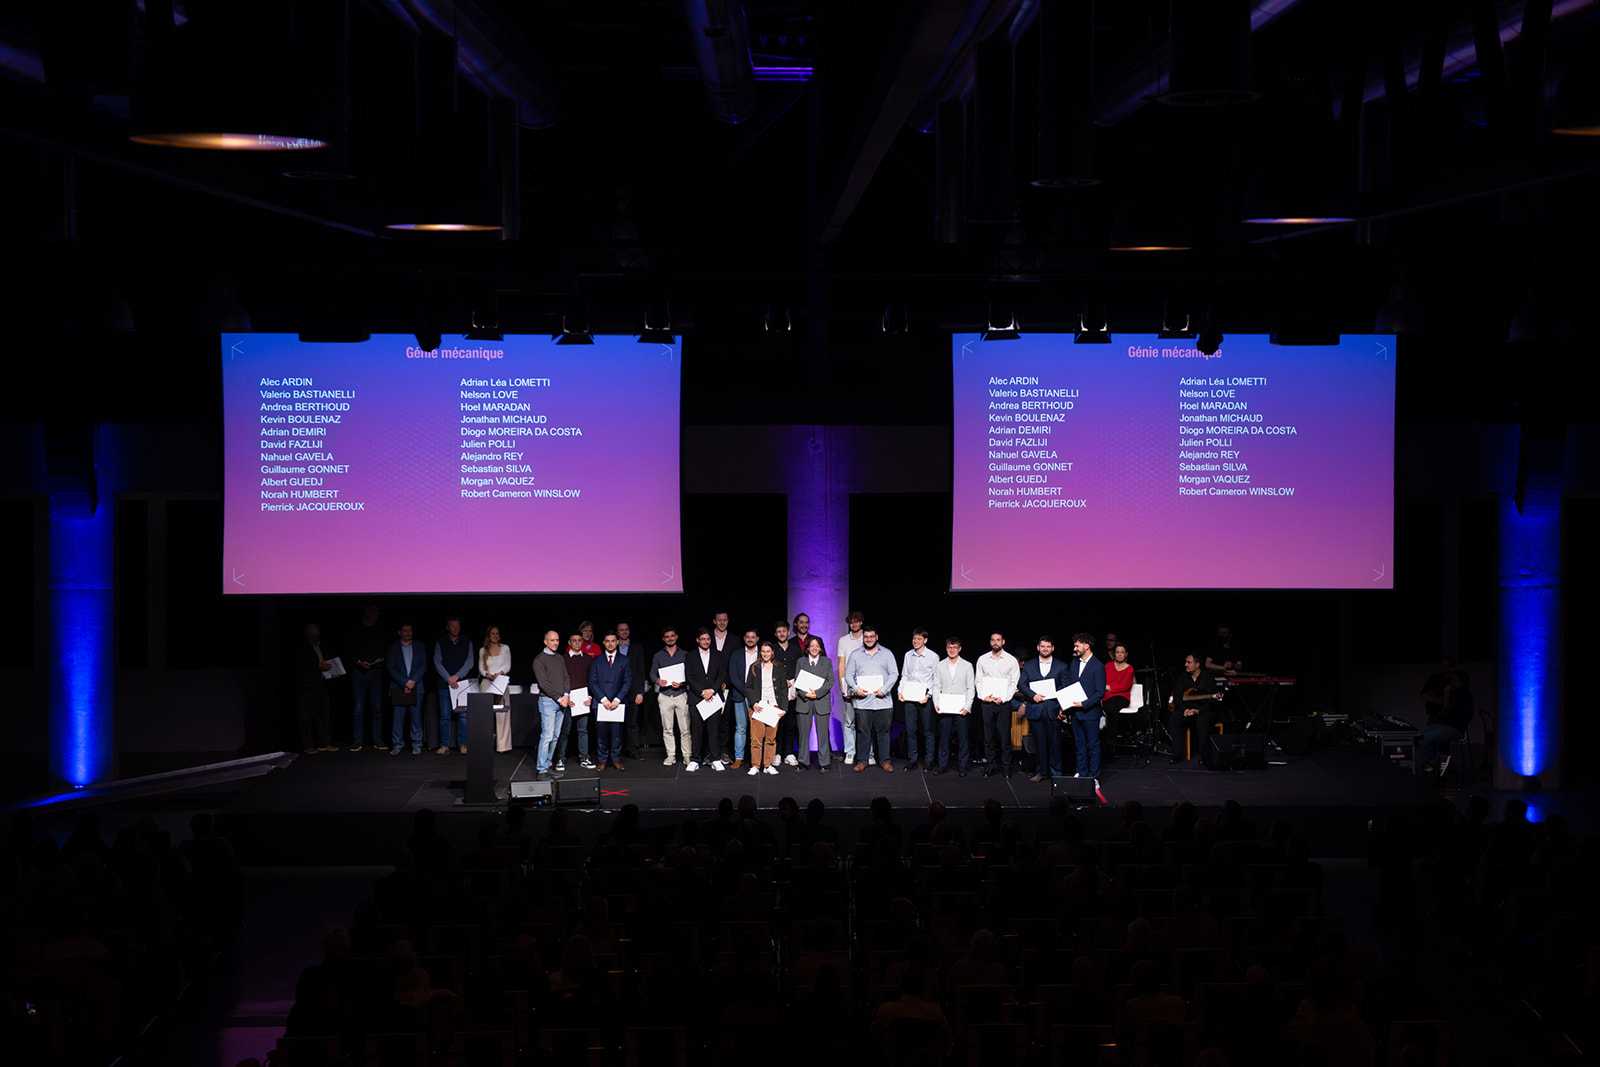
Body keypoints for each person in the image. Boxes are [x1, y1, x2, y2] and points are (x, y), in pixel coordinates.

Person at [845, 625, 899, 773]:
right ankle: (862, 761)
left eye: (871, 636)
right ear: (863, 638)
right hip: (862, 702)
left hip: (883, 702)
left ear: (877, 637)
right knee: (863, 733)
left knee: (884, 732)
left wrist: (884, 690)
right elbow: (848, 675)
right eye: (866, 637)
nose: (869, 639)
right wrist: (856, 689)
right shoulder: (855, 654)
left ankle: (885, 761)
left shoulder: (887, 654)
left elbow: (894, 674)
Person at [1020, 635, 1072, 781]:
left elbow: (1065, 688)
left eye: (1048, 646)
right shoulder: (1029, 665)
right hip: (1035, 709)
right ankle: (1041, 772)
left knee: (1055, 744)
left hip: (1053, 710)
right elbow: (1022, 684)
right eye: (1042, 646)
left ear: (1053, 648)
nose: (1045, 649)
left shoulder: (1062, 666)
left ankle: (1056, 773)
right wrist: (1033, 696)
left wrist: (1063, 709)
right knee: (1039, 744)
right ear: (1038, 647)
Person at [975, 632, 1021, 777]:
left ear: (1003, 642)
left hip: (1003, 704)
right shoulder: (982, 659)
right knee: (988, 737)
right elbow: (978, 681)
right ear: (990, 642)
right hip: (987, 703)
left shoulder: (1011, 660)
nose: (996, 642)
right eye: (993, 640)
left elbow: (1014, 683)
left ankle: (1006, 768)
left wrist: (1004, 698)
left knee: (1004, 737)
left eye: (998, 640)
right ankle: (990, 766)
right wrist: (984, 696)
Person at [1063, 632, 1107, 781]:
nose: (1074, 648)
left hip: (1090, 713)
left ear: (1087, 646)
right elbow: (1069, 684)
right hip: (1075, 712)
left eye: (1077, 645)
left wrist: (1084, 703)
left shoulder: (1098, 666)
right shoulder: (1074, 662)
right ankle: (1081, 773)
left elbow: (1100, 692)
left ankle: (1094, 777)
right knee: (1079, 744)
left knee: (1093, 745)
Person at [685, 627, 729, 772]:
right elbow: (689, 677)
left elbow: (722, 675)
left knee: (714, 730)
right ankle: (695, 759)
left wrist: (712, 690)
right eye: (703, 639)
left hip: (713, 698)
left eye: (708, 639)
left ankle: (715, 759)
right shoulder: (690, 656)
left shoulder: (718, 655)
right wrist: (701, 692)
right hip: (696, 698)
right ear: (697, 640)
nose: (706, 641)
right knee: (696, 730)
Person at [931, 637, 976, 776]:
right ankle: (942, 765)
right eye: (949, 647)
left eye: (955, 647)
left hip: (961, 708)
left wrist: (967, 707)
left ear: (959, 649)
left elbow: (971, 688)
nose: (952, 650)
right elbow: (936, 686)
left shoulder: (967, 665)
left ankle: (962, 767)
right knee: (943, 738)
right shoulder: (940, 665)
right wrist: (936, 703)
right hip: (945, 708)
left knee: (963, 739)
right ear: (946, 648)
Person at [1420, 658, 1474, 774]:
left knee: (1426, 737)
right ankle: (1439, 768)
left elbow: (1447, 711)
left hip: (1453, 727)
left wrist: (1446, 696)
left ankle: (1433, 767)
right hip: (1445, 725)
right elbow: (1425, 696)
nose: (1450, 682)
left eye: (1453, 679)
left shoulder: (1461, 694)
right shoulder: (1454, 691)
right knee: (1430, 737)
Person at [588, 631, 631, 772]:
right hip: (601, 703)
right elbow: (592, 682)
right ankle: (602, 760)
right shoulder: (596, 660)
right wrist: (603, 699)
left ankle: (616, 759)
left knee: (617, 734)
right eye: (607, 641)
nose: (610, 643)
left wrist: (617, 699)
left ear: (617, 642)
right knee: (601, 734)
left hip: (618, 703)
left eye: (613, 641)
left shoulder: (624, 660)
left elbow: (627, 681)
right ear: (603, 643)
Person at [1167, 653, 1220, 765]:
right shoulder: (1183, 677)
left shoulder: (1208, 678)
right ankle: (1177, 754)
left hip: (1203, 711)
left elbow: (1214, 700)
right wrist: (1184, 710)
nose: (1185, 664)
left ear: (1197, 664)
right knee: (1174, 718)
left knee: (1202, 720)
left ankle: (1204, 756)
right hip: (1188, 711)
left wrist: (1199, 710)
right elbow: (1177, 697)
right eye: (1186, 662)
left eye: (1189, 662)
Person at [432, 616, 475, 755]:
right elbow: (437, 662)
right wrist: (448, 678)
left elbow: (470, 662)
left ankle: (463, 744)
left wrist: (457, 676)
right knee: (445, 716)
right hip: (444, 685)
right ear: (447, 627)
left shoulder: (467, 641)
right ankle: (445, 745)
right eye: (452, 626)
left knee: (463, 716)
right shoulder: (441, 642)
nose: (455, 628)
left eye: (457, 626)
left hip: (461, 684)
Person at [532, 630, 572, 780]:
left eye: (557, 640)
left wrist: (566, 695)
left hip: (562, 701)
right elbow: (543, 684)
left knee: (555, 736)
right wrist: (559, 698)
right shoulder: (539, 660)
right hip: (548, 702)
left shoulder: (559, 658)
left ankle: (548, 765)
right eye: (552, 640)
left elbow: (566, 677)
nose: (555, 643)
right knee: (547, 736)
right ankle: (541, 770)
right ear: (545, 642)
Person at [347, 605, 387, 751]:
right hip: (359, 672)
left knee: (377, 706)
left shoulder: (380, 630)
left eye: (377, 612)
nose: (375, 615)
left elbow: (384, 651)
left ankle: (377, 739)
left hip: (375, 672)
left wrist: (378, 661)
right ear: (367, 613)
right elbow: (349, 650)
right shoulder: (355, 629)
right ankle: (358, 740)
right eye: (373, 612)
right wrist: (358, 662)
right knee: (359, 707)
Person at [745, 640, 789, 775]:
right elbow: (748, 687)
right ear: (760, 652)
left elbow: (783, 689)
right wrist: (754, 703)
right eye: (763, 651)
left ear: (772, 653)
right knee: (756, 739)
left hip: (773, 707)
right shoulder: (754, 667)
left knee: (771, 738)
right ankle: (755, 765)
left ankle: (768, 765)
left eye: (768, 651)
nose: (765, 654)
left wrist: (784, 708)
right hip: (759, 707)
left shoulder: (779, 667)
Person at [898, 629, 939, 770]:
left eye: (919, 639)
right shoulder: (908, 655)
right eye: (914, 639)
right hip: (910, 696)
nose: (915, 641)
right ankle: (912, 759)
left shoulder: (933, 656)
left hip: (924, 697)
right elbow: (904, 675)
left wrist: (928, 695)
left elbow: (935, 679)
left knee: (928, 730)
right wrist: (900, 691)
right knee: (910, 730)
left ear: (925, 640)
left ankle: (929, 760)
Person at [650, 627, 691, 767]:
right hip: (665, 695)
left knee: (685, 729)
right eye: (667, 636)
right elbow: (652, 674)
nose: (670, 638)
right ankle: (671, 755)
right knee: (667, 728)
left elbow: (690, 674)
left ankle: (687, 756)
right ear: (663, 639)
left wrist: (682, 682)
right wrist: (657, 681)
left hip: (681, 694)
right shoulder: (658, 655)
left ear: (676, 637)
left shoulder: (685, 654)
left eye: (672, 636)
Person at [793, 635, 833, 771]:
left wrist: (817, 693)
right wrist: (805, 694)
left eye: (817, 646)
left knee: (823, 734)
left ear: (820, 648)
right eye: (812, 646)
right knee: (803, 734)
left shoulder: (827, 662)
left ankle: (824, 763)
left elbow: (830, 682)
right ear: (807, 648)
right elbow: (797, 682)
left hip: (821, 701)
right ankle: (803, 762)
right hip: (804, 702)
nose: (814, 648)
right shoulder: (801, 661)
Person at [387, 622, 427, 756]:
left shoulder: (420, 646)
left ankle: (417, 744)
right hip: (399, 686)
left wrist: (413, 681)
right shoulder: (393, 647)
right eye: (405, 630)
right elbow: (391, 668)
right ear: (399, 632)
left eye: (410, 630)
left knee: (416, 717)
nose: (408, 633)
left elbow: (423, 665)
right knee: (398, 718)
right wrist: (405, 682)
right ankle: (397, 744)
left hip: (416, 686)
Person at [724, 628, 761, 769]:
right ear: (744, 638)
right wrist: (746, 692)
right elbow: (733, 676)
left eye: (753, 637)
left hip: (758, 697)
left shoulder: (763, 653)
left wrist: (754, 694)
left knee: (756, 729)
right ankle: (738, 758)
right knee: (740, 728)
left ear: (757, 638)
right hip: (740, 695)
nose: (750, 639)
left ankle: (755, 759)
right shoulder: (736, 654)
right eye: (747, 637)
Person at [296, 623, 335, 754]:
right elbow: (301, 666)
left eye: (317, 632)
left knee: (323, 715)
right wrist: (318, 667)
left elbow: (326, 661)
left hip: (322, 684)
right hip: (307, 686)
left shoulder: (320, 646)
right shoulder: (302, 647)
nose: (316, 634)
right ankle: (308, 745)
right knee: (306, 716)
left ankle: (325, 743)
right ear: (307, 633)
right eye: (313, 632)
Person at [560, 632, 595, 771]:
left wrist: (590, 696)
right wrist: (565, 697)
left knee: (583, 730)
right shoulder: (562, 659)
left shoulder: (588, 659)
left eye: (579, 640)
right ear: (569, 642)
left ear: (582, 642)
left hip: (583, 700)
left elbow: (592, 679)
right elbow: (559, 679)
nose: (577, 643)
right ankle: (561, 758)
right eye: (574, 640)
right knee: (565, 731)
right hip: (568, 699)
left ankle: (584, 757)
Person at [836, 610, 867, 764]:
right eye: (851, 622)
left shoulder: (867, 638)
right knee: (849, 721)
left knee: (866, 722)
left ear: (861, 622)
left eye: (857, 621)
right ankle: (850, 751)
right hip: (849, 684)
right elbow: (841, 664)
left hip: (865, 684)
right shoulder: (843, 640)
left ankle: (868, 753)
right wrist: (843, 687)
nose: (854, 624)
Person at [773, 620, 803, 766]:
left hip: (792, 690)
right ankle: (777, 753)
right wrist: (780, 681)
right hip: (776, 692)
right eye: (779, 632)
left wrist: (794, 681)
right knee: (778, 723)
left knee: (791, 723)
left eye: (784, 631)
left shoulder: (796, 649)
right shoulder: (772, 649)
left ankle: (789, 753)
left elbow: (801, 668)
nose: (782, 634)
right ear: (775, 634)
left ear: (788, 632)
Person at [615, 620, 647, 757]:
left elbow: (641, 671)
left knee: (632, 722)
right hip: (616, 692)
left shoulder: (637, 647)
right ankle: (618, 751)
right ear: (617, 632)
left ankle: (633, 750)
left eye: (626, 629)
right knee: (617, 723)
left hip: (633, 691)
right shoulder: (612, 647)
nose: (624, 632)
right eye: (621, 630)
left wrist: (640, 692)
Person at [478, 624, 512, 751]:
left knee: (502, 713)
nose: (495, 636)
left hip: (501, 682)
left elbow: (508, 665)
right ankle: (484, 744)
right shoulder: (483, 650)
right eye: (493, 633)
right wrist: (487, 674)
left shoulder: (505, 648)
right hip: (487, 682)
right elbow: (481, 668)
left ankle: (503, 746)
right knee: (484, 713)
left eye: (497, 633)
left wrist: (500, 673)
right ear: (488, 635)